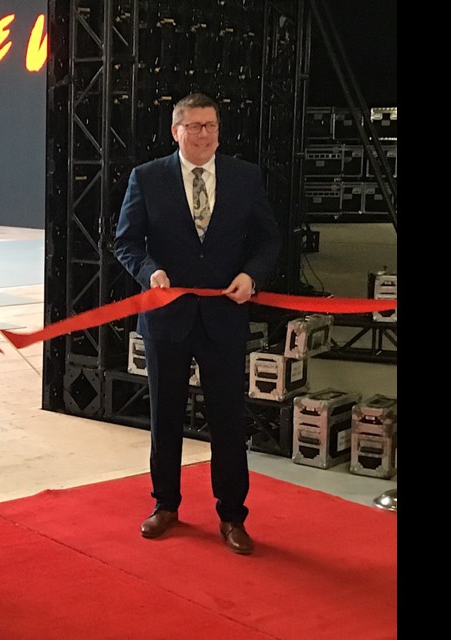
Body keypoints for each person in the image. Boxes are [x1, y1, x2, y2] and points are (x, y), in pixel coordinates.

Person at [113, 93, 281, 555]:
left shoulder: (244, 177)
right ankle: (165, 505)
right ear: (176, 131)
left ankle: (232, 516)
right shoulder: (147, 178)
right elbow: (125, 241)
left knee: (227, 420)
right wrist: (150, 273)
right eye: (194, 126)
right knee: (164, 416)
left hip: (224, 318)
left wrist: (253, 275)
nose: (204, 134)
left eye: (210, 125)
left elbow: (268, 240)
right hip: (168, 319)